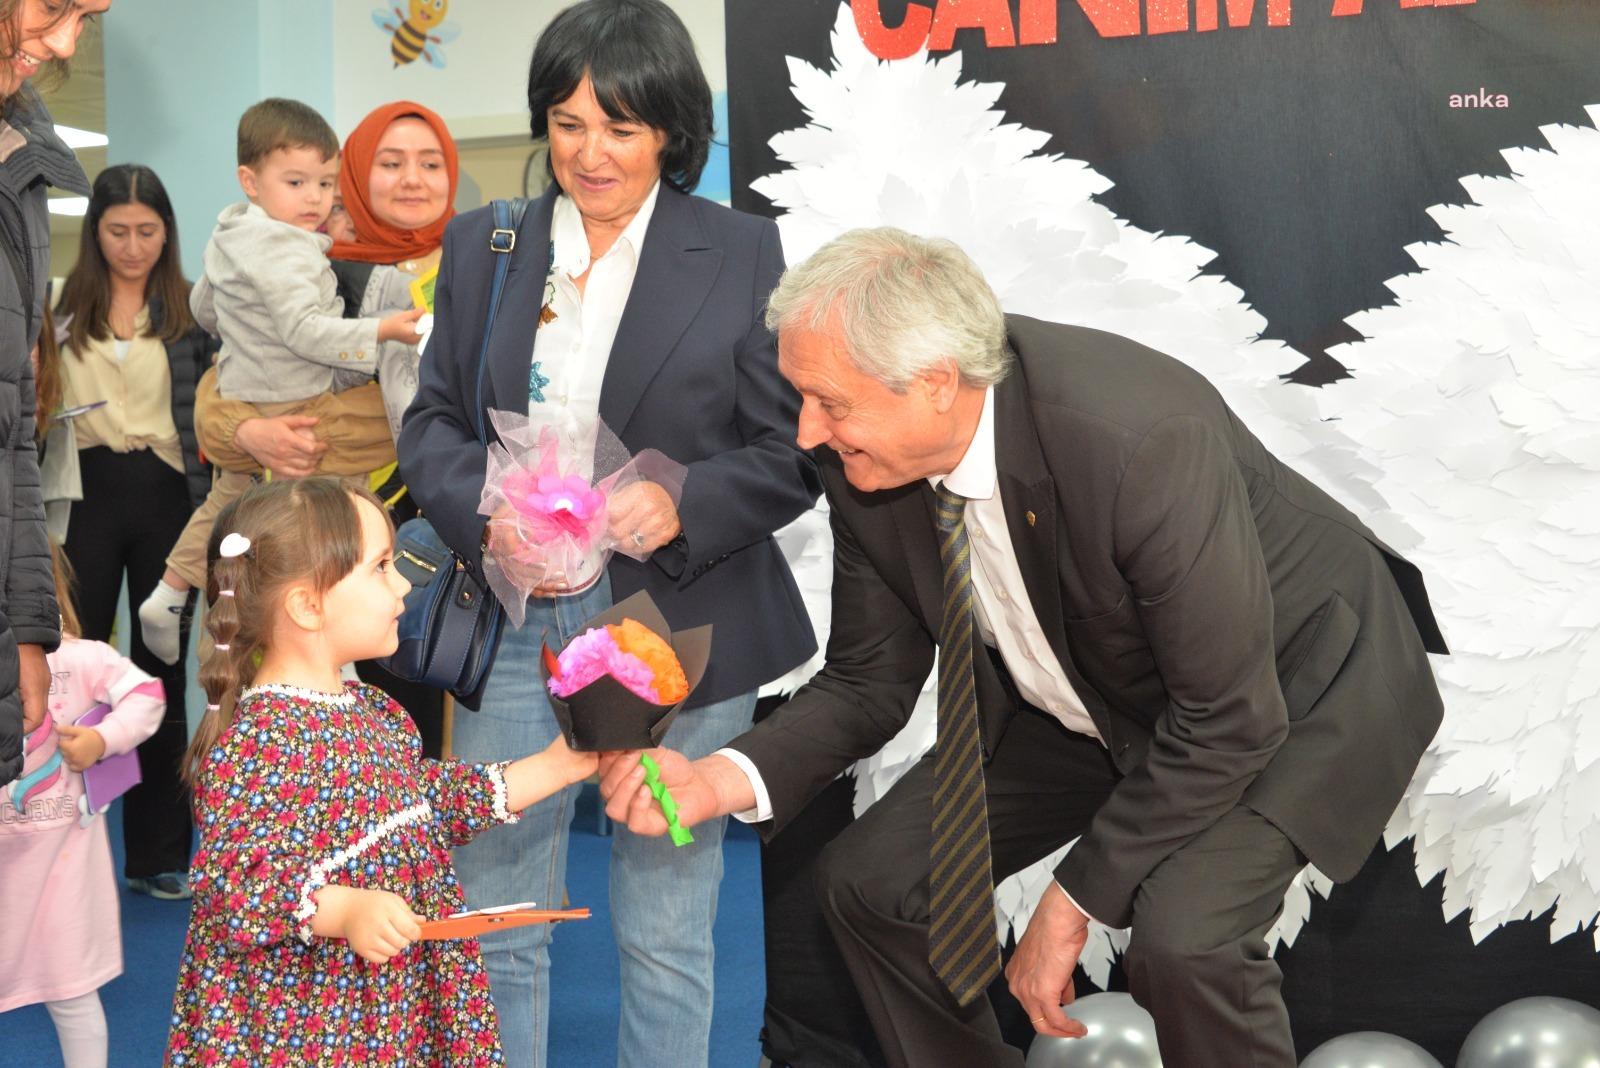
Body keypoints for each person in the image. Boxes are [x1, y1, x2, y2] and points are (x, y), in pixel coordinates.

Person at [602, 228, 1450, 1068]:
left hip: (1293, 691)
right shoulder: (865, 465)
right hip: (1100, 689)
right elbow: (868, 680)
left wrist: (1073, 898)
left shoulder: (1137, 437)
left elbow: (1228, 717)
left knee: (1186, 940)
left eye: (830, 402)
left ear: (936, 383)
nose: (806, 432)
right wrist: (715, 780)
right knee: (872, 885)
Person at [399, 2, 821, 1063]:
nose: (591, 153)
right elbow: (433, 422)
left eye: (621, 128)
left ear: (671, 131)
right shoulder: (489, 244)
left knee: (667, 923)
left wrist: (688, 500)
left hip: (675, 619)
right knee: (498, 910)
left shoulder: (740, 250)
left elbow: (793, 449)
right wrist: (485, 513)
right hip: (512, 612)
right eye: (568, 123)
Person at [164, 477, 598, 1065]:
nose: (403, 584)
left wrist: (557, 766)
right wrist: (343, 909)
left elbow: (426, 803)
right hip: (318, 1024)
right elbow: (236, 882)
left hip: (388, 1006)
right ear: (307, 605)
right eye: (381, 567)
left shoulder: (370, 710)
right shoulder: (260, 741)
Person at [193, 98, 460, 755]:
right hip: (326, 541)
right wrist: (246, 434)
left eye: (431, 163)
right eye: (390, 163)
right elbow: (221, 385)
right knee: (302, 731)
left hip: (440, 533)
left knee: (419, 739)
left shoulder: (478, 265)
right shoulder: (310, 263)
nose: (412, 179)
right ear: (357, 174)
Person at [135, 98, 424, 666]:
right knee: (334, 511)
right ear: (251, 181)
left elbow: (206, 306)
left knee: (229, 501)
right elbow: (304, 330)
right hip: (295, 396)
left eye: (325, 183)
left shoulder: (233, 231)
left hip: (250, 388)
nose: (315, 199)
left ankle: (171, 591)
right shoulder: (286, 246)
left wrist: (244, 337)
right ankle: (335, 651)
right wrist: (384, 330)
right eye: (297, 182)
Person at [51, 164, 213, 899]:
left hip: (165, 494)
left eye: (148, 231)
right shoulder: (61, 308)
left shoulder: (192, 313)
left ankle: (157, 855)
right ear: (95, 233)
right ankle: (59, 838)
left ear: (167, 234)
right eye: (117, 231)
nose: (133, 245)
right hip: (82, 492)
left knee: (158, 673)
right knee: (70, 666)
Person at [0, 0, 110, 790]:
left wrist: (28, 629)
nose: (68, 41)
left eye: (89, 18)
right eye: (54, 5)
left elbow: (13, 430)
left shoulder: (22, 160)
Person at [0, 546, 164, 1068]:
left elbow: (147, 694)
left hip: (62, 869)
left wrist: (104, 739)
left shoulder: (82, 658)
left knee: (71, 993)